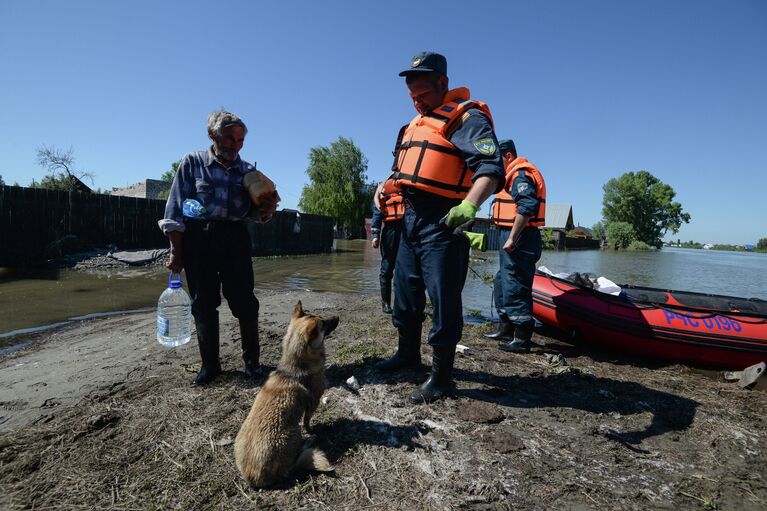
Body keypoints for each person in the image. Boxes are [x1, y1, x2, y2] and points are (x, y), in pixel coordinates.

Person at [375, 52, 504, 403]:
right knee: (405, 291)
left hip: (444, 221)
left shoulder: (466, 119)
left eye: (423, 95)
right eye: (412, 97)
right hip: (410, 219)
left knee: (444, 299)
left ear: (443, 84)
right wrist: (383, 188)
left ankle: (442, 377)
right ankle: (407, 354)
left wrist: (469, 205)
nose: (417, 102)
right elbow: (401, 170)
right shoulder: (414, 125)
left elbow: (491, 168)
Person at [158, 110, 279, 385]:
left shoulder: (248, 171)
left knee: (245, 302)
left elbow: (258, 215)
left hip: (235, 239)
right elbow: (174, 210)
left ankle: (252, 363)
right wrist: (176, 251)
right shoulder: (193, 163)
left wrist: (268, 209)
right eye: (229, 139)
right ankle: (210, 366)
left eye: (240, 141)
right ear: (213, 135)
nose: (235, 146)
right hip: (198, 239)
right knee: (203, 304)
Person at [483, 139, 545, 353]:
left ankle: (522, 338)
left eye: (497, 158)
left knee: (516, 283)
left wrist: (512, 238)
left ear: (508, 156)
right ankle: (506, 327)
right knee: (503, 280)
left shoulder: (520, 175)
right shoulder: (507, 177)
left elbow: (527, 206)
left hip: (521, 236)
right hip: (510, 234)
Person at [370, 180, 404, 314]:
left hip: (407, 229)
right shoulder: (384, 188)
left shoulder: (409, 186)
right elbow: (377, 212)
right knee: (387, 268)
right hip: (390, 231)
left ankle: (403, 303)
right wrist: (375, 235)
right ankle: (385, 304)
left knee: (407, 269)